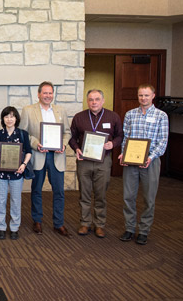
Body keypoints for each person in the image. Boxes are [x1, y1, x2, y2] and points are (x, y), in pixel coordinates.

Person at [20, 81, 72, 237]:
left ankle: (59, 223)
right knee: (36, 190)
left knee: (59, 191)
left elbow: (67, 132)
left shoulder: (61, 111)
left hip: (57, 156)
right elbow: (24, 134)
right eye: (45, 93)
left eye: (50, 93)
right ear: (38, 94)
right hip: (39, 155)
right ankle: (37, 220)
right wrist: (36, 144)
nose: (48, 96)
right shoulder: (28, 111)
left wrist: (63, 144)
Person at [69, 89, 123, 238]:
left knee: (100, 194)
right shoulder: (79, 117)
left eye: (97, 99)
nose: (94, 102)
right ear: (87, 101)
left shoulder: (113, 117)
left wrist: (112, 144)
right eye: (91, 99)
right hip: (84, 161)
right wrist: (77, 148)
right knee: (84, 194)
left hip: (103, 161)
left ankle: (99, 224)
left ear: (103, 100)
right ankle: (85, 223)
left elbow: (120, 135)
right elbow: (72, 138)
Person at [118, 84, 168, 245]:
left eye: (146, 95)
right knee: (128, 197)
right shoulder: (130, 114)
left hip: (150, 162)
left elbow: (163, 141)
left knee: (149, 198)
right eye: (140, 95)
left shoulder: (161, 116)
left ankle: (144, 230)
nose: (143, 98)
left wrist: (151, 157)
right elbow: (126, 138)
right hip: (131, 161)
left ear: (153, 96)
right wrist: (123, 153)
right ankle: (129, 228)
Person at [0, 106, 32, 240]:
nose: (9, 119)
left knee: (16, 201)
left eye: (12, 116)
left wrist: (24, 164)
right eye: (6, 116)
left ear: (16, 118)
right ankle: (1, 226)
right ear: (3, 119)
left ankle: (14, 227)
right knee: (1, 200)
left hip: (17, 173)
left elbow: (28, 152)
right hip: (1, 174)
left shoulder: (22, 134)